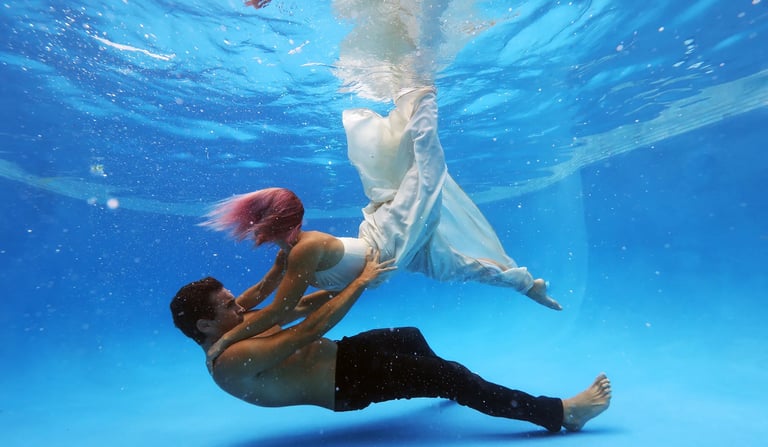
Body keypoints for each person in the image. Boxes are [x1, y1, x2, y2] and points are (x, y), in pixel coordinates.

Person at [201, 88, 561, 358]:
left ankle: (421, 99)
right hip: (384, 259)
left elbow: (281, 309)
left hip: (388, 241)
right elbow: (260, 295)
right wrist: (231, 321)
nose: (250, 229)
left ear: (272, 220)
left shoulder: (303, 252)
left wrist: (227, 339)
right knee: (456, 268)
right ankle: (526, 284)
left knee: (425, 178)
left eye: (254, 221)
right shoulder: (288, 254)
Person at [170, 251, 612, 434]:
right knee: (452, 375)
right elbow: (306, 329)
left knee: (410, 337)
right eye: (227, 304)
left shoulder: (233, 322)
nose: (239, 305)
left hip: (343, 355)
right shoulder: (230, 360)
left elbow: (270, 294)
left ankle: (442, 382)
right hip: (348, 384)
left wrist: (287, 255)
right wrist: (358, 284)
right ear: (206, 326)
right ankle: (561, 414)